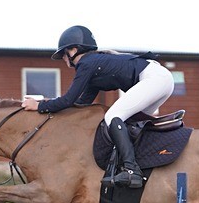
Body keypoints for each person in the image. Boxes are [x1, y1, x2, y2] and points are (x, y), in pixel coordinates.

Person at [21, 25, 175, 189]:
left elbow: (67, 100)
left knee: (112, 116)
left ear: (72, 50)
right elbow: (79, 104)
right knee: (130, 125)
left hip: (155, 79)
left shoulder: (87, 63)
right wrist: (48, 102)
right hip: (160, 79)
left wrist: (39, 105)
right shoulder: (93, 66)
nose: (64, 60)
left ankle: (131, 171)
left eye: (63, 55)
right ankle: (144, 164)